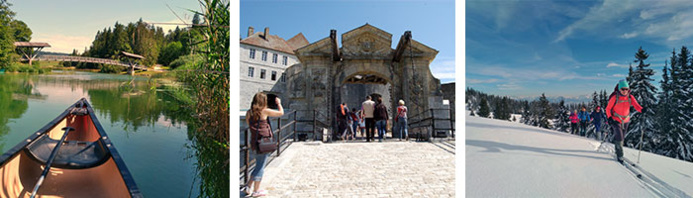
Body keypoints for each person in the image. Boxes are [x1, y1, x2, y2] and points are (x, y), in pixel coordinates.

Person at [244, 92, 284, 197]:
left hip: (254, 142)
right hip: (264, 143)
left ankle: (248, 186)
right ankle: (256, 190)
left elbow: (250, 125)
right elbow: (281, 113)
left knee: (258, 164)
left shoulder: (248, 113)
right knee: (260, 167)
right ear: (263, 101)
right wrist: (279, 103)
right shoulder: (264, 111)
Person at [606, 80, 642, 164]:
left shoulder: (630, 97)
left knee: (622, 137)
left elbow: (636, 105)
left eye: (626, 89)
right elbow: (608, 109)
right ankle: (620, 155)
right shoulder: (615, 97)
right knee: (620, 137)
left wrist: (642, 109)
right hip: (616, 120)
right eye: (623, 89)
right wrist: (610, 118)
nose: (624, 91)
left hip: (626, 120)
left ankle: (617, 147)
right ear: (619, 89)